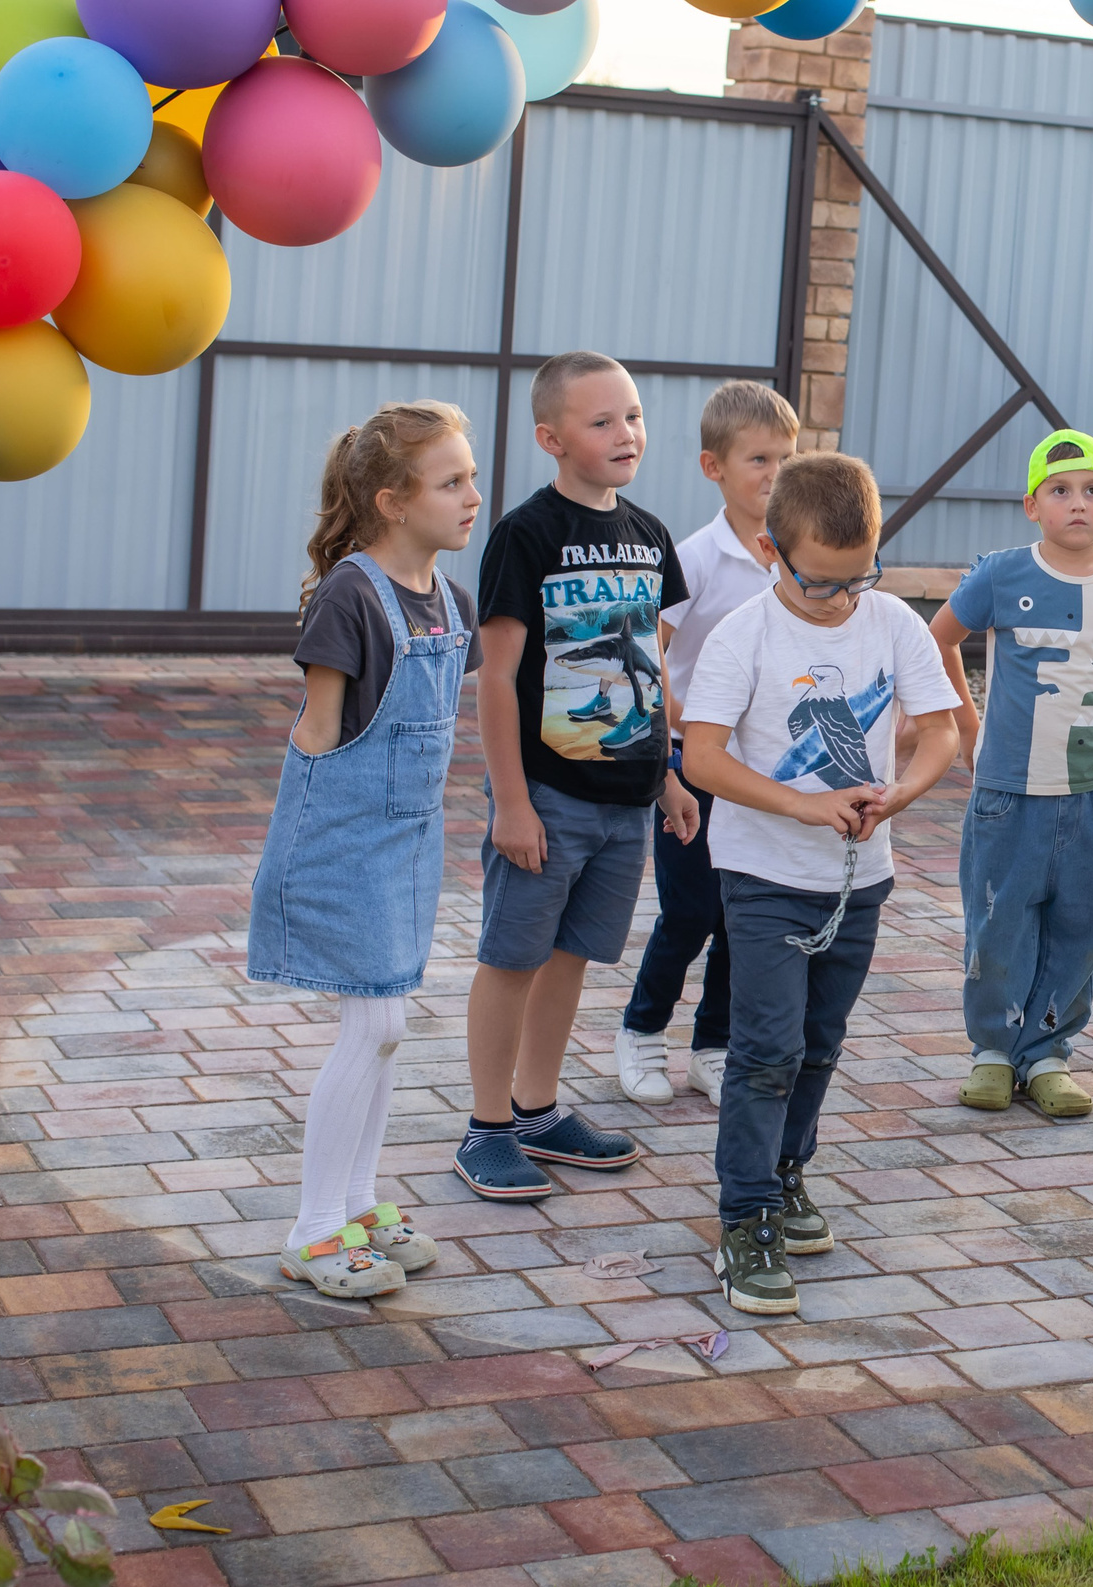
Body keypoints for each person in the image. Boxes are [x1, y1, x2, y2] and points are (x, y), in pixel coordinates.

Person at [679, 452, 961, 1315]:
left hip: (858, 878)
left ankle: (785, 1173)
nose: (842, 599)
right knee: (765, 1050)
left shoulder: (892, 623)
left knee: (819, 1043)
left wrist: (901, 793)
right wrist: (804, 806)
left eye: (858, 578)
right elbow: (703, 756)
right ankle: (745, 1217)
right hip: (763, 877)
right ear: (772, 551)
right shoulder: (745, 635)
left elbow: (942, 731)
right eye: (820, 583)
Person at [250, 401, 483, 1298]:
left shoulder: (448, 598)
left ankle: (355, 1203)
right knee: (376, 1022)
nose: (471, 496)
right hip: (345, 839)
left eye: (469, 476)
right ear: (392, 499)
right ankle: (312, 1231)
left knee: (386, 1026)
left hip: (410, 842)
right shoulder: (350, 594)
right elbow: (316, 735)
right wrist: (300, 869)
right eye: (451, 481)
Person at [455, 352, 699, 1202]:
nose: (626, 433)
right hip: (547, 796)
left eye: (631, 415)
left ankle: (537, 1108)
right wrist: (512, 801)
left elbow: (649, 660)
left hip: (625, 800)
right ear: (552, 438)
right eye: (602, 421)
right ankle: (486, 1126)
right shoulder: (527, 534)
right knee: (513, 956)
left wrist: (667, 772)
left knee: (570, 958)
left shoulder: (650, 533)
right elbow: (494, 676)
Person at [928, 430, 1093, 1118]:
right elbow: (938, 639)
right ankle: (995, 1051)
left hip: (1092, 796)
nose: (1077, 504)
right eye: (1060, 492)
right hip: (1009, 791)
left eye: (1092, 491)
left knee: (1081, 923)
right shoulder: (1001, 574)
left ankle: (1049, 1052)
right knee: (1000, 921)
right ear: (1032, 505)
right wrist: (968, 729)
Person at [613, 380, 798, 1107]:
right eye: (758, 458)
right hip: (693, 763)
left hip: (764, 772)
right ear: (712, 466)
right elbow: (646, 653)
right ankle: (640, 1029)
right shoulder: (690, 557)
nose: (775, 474)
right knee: (689, 912)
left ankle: (713, 1046)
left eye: (787, 456)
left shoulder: (795, 556)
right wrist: (687, 722)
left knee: (743, 915)